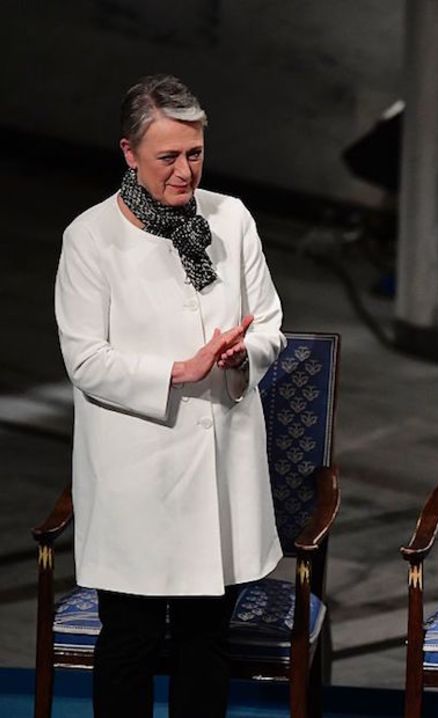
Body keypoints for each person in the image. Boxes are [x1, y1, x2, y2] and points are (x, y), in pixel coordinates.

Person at [54, 74, 286, 718]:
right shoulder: (90, 239)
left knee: (204, 639)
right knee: (128, 640)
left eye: (195, 154)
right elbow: (85, 359)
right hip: (138, 473)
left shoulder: (231, 218)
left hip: (220, 466)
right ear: (129, 153)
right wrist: (178, 371)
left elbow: (268, 320)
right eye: (168, 157)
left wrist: (246, 353)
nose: (186, 171)